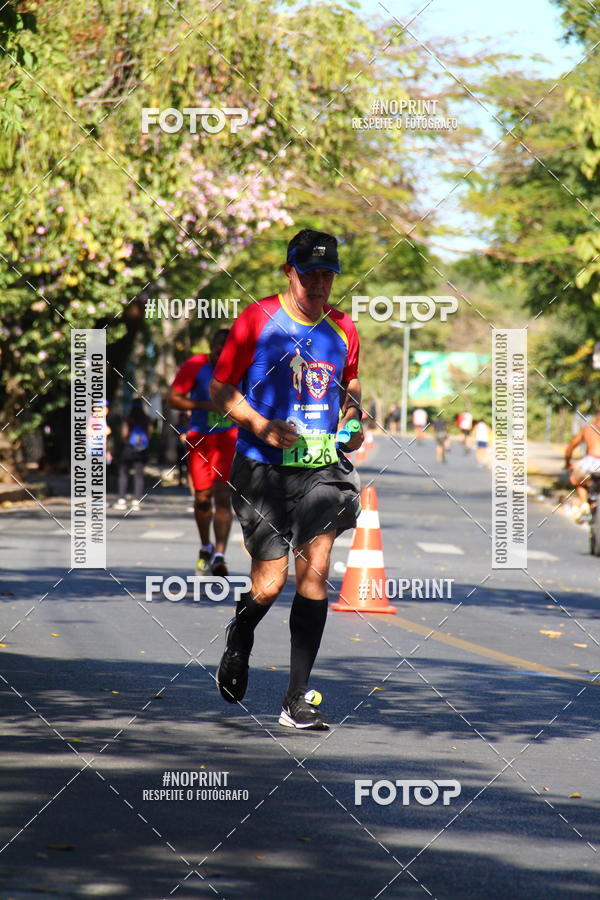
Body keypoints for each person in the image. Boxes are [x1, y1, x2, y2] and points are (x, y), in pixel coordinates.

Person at [210, 228, 363, 730]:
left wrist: (353, 421)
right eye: (309, 274)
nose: (319, 284)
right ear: (288, 272)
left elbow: (351, 387)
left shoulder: (343, 330)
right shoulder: (257, 320)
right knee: (270, 583)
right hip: (262, 468)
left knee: (314, 569)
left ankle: (296, 697)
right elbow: (221, 389)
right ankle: (241, 630)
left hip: (323, 467)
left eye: (327, 275)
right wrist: (258, 424)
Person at [169, 330, 238, 576]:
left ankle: (219, 555)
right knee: (202, 497)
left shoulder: (241, 366)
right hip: (200, 438)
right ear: (211, 347)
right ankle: (204, 546)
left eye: (227, 346)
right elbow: (173, 399)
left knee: (222, 495)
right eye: (219, 346)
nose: (223, 351)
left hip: (229, 438)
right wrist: (205, 405)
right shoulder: (195, 365)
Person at [113, 399, 151, 511]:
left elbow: (124, 434)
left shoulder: (128, 418)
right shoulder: (146, 419)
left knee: (123, 472)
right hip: (141, 450)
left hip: (129, 449)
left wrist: (127, 442)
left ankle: (121, 499)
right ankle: (136, 500)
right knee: (139, 475)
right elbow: (149, 434)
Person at [565, 409, 600, 522]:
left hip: (591, 461)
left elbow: (570, 447)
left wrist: (568, 462)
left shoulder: (588, 429)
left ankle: (584, 503)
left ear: (596, 417)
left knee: (577, 478)